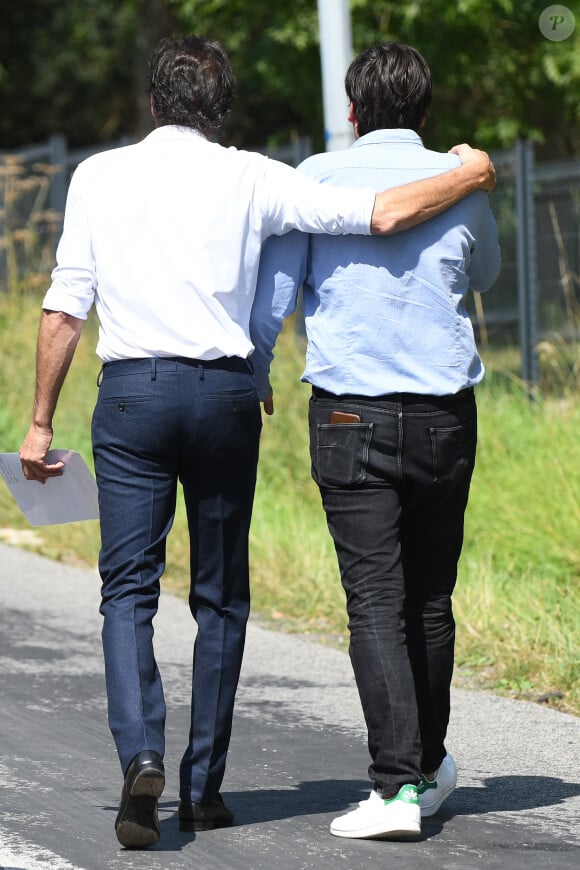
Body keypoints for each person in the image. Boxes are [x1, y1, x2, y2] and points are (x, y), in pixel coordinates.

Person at [19, 36, 495, 850]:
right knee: (224, 594)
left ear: (154, 104)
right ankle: (206, 789)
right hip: (235, 399)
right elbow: (393, 222)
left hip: (134, 399)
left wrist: (38, 420)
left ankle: (142, 754)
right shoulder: (259, 177)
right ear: (223, 108)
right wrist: (471, 172)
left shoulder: (98, 175)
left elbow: (68, 308)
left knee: (127, 589)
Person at [251, 42, 501, 840]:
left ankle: (393, 789)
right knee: (430, 599)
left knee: (375, 602)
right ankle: (424, 771)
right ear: (425, 115)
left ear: (353, 112)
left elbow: (280, 289)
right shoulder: (459, 179)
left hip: (350, 414)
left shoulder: (317, 177)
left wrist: (255, 367)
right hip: (443, 416)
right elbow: (485, 273)